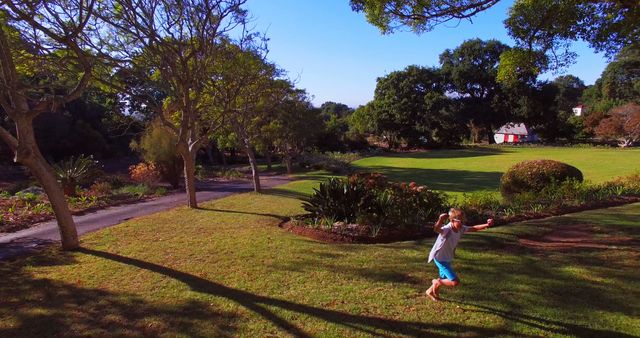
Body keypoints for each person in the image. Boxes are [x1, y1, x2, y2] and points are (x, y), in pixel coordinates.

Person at [425, 208, 493, 301]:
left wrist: (487, 225)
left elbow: (474, 228)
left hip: (447, 258)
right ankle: (436, 282)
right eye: (460, 221)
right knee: (454, 282)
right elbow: (437, 229)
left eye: (463, 221)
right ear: (452, 220)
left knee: (443, 278)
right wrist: (440, 219)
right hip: (440, 259)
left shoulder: (461, 229)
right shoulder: (447, 229)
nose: (462, 224)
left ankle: (429, 291)